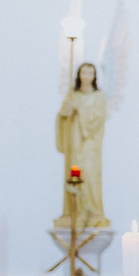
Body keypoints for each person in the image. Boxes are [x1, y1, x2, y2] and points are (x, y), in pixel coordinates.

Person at [56, 62, 109, 227]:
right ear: (79, 75)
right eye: (83, 72)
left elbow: (98, 119)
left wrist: (80, 110)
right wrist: (66, 112)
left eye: (90, 73)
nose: (86, 76)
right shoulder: (72, 95)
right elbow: (62, 118)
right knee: (74, 172)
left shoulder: (99, 96)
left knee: (90, 176)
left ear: (94, 76)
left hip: (90, 144)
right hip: (75, 141)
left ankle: (93, 211)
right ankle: (74, 212)